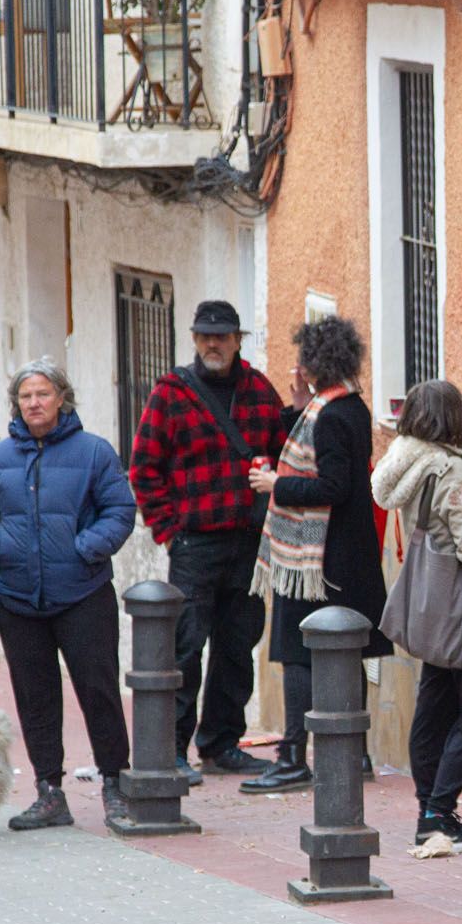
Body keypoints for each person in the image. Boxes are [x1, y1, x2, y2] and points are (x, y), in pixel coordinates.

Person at [0, 360, 136, 829]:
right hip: (18, 601)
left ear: (62, 397)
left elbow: (120, 510)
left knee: (99, 691)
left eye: (42, 394)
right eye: (25, 396)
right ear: (16, 404)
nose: (34, 403)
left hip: (84, 594)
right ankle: (49, 792)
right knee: (35, 698)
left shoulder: (94, 453)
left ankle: (116, 786)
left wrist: (85, 549)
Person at [129, 300, 289, 785]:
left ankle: (221, 745)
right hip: (194, 545)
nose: (212, 344)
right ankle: (174, 749)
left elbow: (285, 457)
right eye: (204, 336)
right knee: (185, 647)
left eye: (221, 336)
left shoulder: (260, 391)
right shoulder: (171, 393)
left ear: (238, 339)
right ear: (194, 340)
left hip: (248, 544)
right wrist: (169, 531)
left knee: (238, 647)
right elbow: (143, 469)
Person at [243, 316, 390, 794]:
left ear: (312, 364)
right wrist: (299, 405)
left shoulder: (329, 416)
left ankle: (291, 757)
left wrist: (275, 485)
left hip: (317, 560)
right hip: (348, 554)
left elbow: (333, 485)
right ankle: (356, 753)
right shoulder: (346, 408)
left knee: (295, 652)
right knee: (347, 651)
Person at [370, 380, 462, 846]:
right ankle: (439, 811)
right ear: (452, 418)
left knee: (432, 707)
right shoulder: (450, 471)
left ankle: (426, 810)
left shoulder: (406, 463)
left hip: (430, 606)